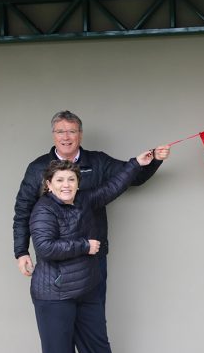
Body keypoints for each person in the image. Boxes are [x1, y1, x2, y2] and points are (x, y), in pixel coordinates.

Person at [29, 157, 153, 353]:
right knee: (58, 351)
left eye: (71, 180)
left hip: (86, 286)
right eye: (60, 180)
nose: (66, 185)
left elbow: (111, 188)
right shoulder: (43, 210)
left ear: (77, 183)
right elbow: (45, 248)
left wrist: (135, 164)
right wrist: (85, 246)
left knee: (96, 341)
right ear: (49, 184)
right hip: (55, 293)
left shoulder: (84, 199)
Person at [13, 110, 169, 305]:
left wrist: (155, 159)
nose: (66, 137)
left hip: (93, 254)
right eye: (60, 131)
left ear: (81, 134)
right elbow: (22, 212)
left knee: (93, 320)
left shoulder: (98, 161)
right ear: (53, 135)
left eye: (72, 131)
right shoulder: (38, 168)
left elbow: (132, 177)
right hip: (56, 260)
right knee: (62, 320)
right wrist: (21, 251)